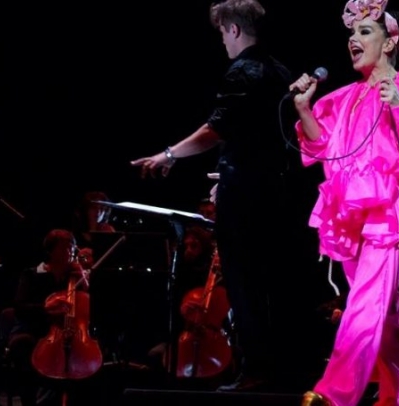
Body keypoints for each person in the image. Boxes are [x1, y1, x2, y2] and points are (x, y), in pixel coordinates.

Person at [130, 0, 305, 391]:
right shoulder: (280, 71)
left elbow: (217, 129)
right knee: (272, 282)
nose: (223, 41)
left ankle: (256, 371)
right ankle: (280, 371)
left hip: (245, 197)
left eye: (223, 32)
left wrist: (168, 155)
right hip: (277, 192)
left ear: (234, 29)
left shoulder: (241, 71)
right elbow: (273, 139)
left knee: (243, 281)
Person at [289, 0, 399, 404]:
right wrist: (305, 109)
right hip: (350, 218)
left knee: (366, 303)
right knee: (384, 313)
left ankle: (335, 394)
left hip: (391, 215)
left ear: (390, 41)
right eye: (351, 33)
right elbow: (322, 148)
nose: (353, 40)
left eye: (364, 32)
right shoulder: (346, 97)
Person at [0, 229, 90, 406]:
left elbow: (87, 306)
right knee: (23, 344)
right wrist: (45, 308)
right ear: (51, 251)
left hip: (64, 333)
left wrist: (83, 278)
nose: (70, 253)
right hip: (32, 330)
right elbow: (20, 308)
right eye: (65, 248)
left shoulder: (74, 277)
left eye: (72, 248)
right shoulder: (32, 274)